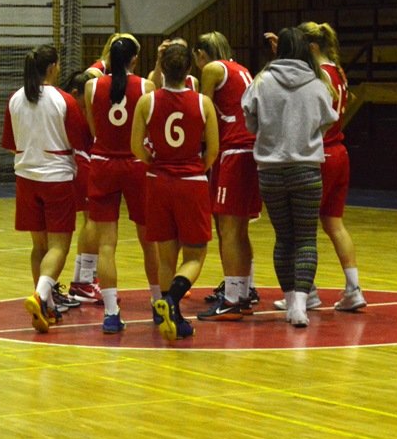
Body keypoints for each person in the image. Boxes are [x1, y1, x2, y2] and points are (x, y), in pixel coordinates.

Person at [268, 22, 368, 312]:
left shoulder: (318, 75)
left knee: (302, 229)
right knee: (334, 224)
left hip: (320, 153)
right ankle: (353, 287)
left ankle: (306, 291)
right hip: (340, 151)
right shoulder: (337, 70)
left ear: (310, 47)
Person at [241, 28, 337, 327]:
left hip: (270, 171)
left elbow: (250, 122)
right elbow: (328, 122)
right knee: (306, 238)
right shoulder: (318, 83)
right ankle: (299, 307)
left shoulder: (262, 81)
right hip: (307, 169)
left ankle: (288, 296)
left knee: (284, 238)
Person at [131, 42, 219, 341]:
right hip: (191, 181)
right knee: (195, 255)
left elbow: (135, 147)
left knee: (166, 257)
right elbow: (213, 151)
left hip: (158, 180)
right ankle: (171, 303)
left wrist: (155, 162)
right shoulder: (202, 103)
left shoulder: (147, 101)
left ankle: (174, 316)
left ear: (163, 69)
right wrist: (196, 168)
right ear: (189, 71)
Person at [1, 44, 82, 333]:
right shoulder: (63, 100)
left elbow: (11, 143)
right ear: (51, 68)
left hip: (25, 178)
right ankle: (41, 295)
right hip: (57, 178)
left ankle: (45, 307)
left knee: (39, 246)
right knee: (59, 245)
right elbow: (80, 140)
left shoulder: (15, 100)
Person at [84, 35, 159, 334]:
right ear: (134, 60)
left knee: (106, 245)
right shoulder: (146, 87)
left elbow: (94, 129)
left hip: (102, 163)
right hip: (135, 164)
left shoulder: (91, 87)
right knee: (148, 241)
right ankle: (158, 303)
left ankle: (112, 313)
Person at [192, 32, 260, 321]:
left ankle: (232, 298)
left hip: (233, 150)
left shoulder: (212, 69)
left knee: (229, 229)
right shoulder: (241, 68)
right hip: (248, 149)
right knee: (237, 228)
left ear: (201, 54)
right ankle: (243, 290)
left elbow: (201, 111)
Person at [61, 69, 102, 304]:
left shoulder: (73, 105)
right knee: (92, 221)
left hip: (81, 163)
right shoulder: (72, 108)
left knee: (92, 221)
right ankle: (84, 280)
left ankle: (82, 279)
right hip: (80, 164)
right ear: (76, 92)